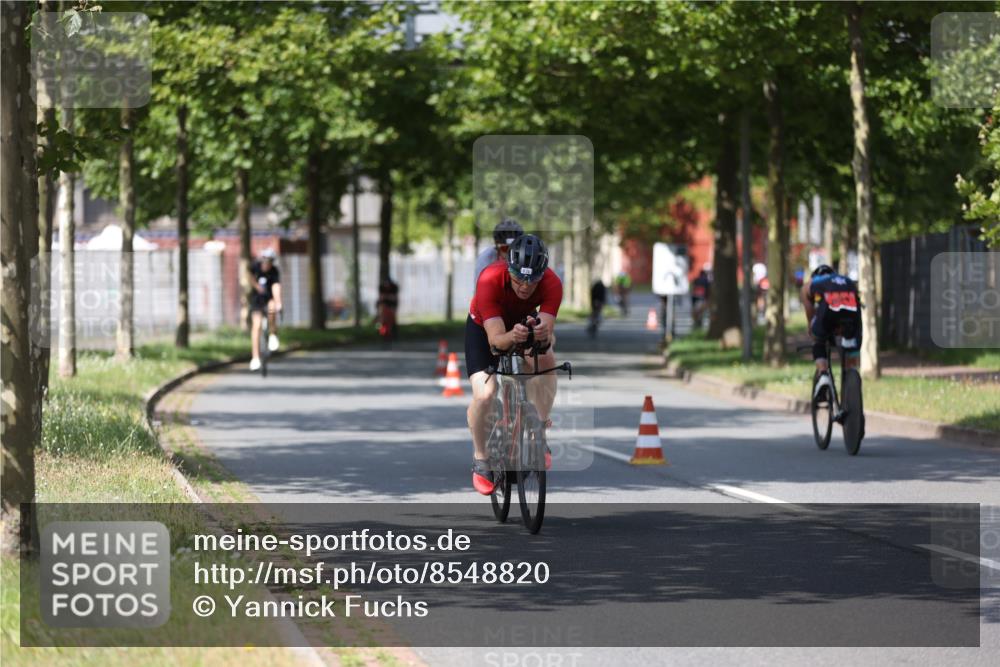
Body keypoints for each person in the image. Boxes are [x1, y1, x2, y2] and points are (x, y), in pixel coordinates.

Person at [465, 234, 562, 495]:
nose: (524, 287)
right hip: (484, 327)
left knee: (545, 357)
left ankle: (538, 432)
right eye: (518, 278)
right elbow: (496, 342)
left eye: (532, 281)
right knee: (485, 393)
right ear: (508, 268)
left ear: (543, 275)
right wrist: (512, 337)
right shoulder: (489, 279)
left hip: (523, 322)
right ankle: (481, 458)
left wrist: (538, 334)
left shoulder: (552, 283)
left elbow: (546, 330)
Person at [800, 264, 861, 374]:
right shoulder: (846, 280)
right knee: (852, 341)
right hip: (852, 310)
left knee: (818, 338)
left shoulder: (817, 281)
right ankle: (852, 371)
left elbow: (805, 293)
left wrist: (811, 325)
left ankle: (822, 371)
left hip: (829, 312)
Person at [249, 248, 282, 371]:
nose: (267, 264)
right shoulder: (255, 267)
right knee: (256, 327)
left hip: (269, 299)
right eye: (265, 261)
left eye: (269, 261)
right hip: (257, 301)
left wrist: (279, 302)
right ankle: (255, 357)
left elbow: (276, 286)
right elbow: (250, 277)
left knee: (272, 308)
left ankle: (273, 334)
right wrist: (257, 286)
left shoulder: (274, 271)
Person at [473, 218, 524, 288]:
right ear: (496, 247)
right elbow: (479, 291)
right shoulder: (485, 260)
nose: (510, 254)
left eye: (515, 249)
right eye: (505, 248)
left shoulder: (528, 256)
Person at [691, 264, 712, 329]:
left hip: (696, 299)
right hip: (702, 299)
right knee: (701, 313)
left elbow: (692, 289)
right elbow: (708, 290)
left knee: (697, 313)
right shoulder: (707, 281)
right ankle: (698, 325)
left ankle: (696, 325)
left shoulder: (696, 280)